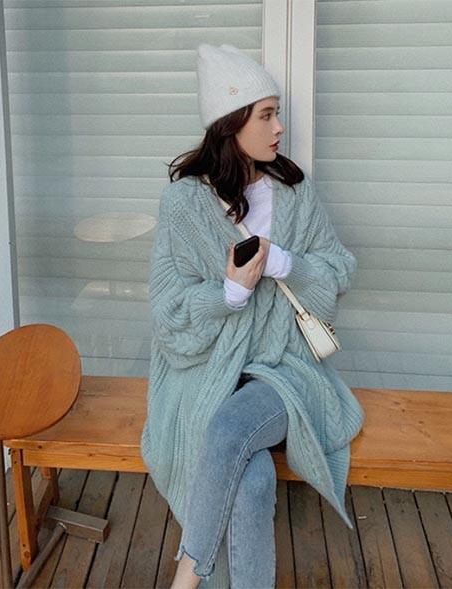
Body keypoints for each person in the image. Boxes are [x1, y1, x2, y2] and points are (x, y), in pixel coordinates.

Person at [140, 43, 365, 589]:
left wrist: (285, 262)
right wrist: (230, 294)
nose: (279, 127)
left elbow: (338, 270)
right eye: (266, 115)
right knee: (254, 482)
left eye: (277, 113)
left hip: (284, 371)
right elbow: (168, 313)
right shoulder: (184, 204)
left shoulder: (295, 192)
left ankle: (187, 575)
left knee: (228, 428)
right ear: (230, 122)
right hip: (205, 373)